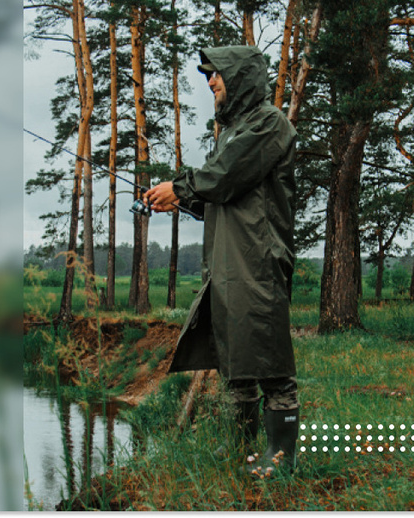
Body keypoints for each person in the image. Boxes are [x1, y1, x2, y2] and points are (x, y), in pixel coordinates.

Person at [143, 45, 298, 477]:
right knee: (238, 363)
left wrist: (181, 186)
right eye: (208, 75)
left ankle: (280, 460)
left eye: (216, 74)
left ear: (240, 76)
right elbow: (222, 194)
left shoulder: (269, 124)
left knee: (270, 362)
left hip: (258, 258)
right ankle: (243, 452)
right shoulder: (231, 129)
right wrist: (181, 199)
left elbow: (225, 175)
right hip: (227, 261)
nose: (210, 81)